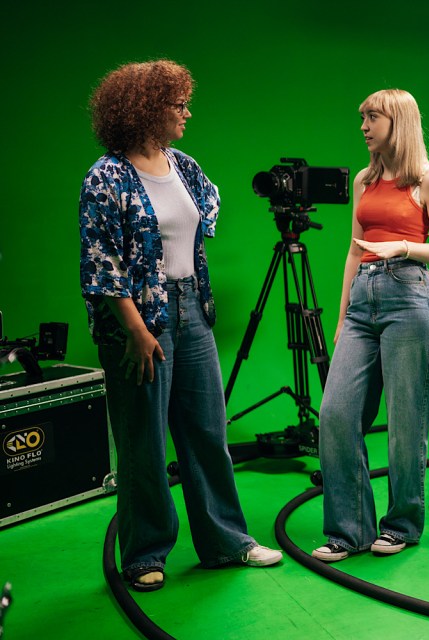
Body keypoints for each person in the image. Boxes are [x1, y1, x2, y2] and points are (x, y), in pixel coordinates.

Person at [79, 60, 282, 592]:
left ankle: (226, 542)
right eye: (178, 105)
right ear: (147, 109)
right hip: (139, 318)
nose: (186, 113)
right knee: (143, 437)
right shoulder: (107, 177)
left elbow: (205, 210)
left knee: (207, 431)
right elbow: (100, 263)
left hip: (192, 308)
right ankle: (146, 552)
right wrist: (135, 331)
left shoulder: (183, 165)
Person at [312, 89, 429, 562]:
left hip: (409, 299)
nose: (363, 126)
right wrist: (341, 319)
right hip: (362, 304)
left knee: (405, 422)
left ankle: (400, 525)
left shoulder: (427, 180)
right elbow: (354, 250)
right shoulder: (363, 179)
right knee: (336, 415)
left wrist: (404, 246)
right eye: (361, 118)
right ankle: (349, 530)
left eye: (372, 117)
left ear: (397, 121)